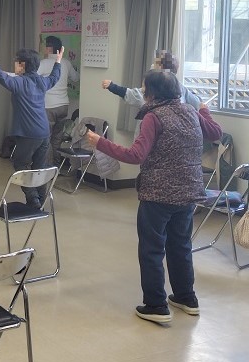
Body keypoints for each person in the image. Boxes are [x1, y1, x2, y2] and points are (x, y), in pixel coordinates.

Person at [86, 69, 222, 324]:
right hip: (188, 192)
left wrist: (99, 142)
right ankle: (186, 297)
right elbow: (215, 133)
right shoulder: (190, 111)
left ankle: (156, 305)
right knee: (181, 245)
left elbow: (136, 155)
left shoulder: (154, 117)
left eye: (144, 87)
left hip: (158, 194)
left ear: (152, 92)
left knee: (152, 249)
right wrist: (204, 110)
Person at [0, 47, 61, 208]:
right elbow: (54, 77)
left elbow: (3, 78)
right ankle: (42, 198)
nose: (14, 65)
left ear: (22, 65)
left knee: (20, 165)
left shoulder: (19, 83)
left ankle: (33, 199)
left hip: (28, 134)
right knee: (39, 168)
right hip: (44, 133)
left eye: (16, 62)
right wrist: (57, 62)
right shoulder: (41, 82)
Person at [101, 49, 201, 113]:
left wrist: (112, 86)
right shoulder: (180, 88)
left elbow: (134, 95)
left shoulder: (153, 88)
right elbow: (197, 103)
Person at [37, 36, 79, 162]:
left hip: (48, 106)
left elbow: (32, 79)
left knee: (45, 138)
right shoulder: (66, 62)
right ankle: (55, 165)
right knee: (57, 138)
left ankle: (45, 166)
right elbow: (76, 78)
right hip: (63, 106)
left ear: (49, 48)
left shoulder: (43, 64)